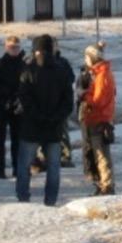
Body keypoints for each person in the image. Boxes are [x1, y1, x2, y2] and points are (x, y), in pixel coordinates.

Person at [16, 34, 73, 206]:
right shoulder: (62, 71)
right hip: (54, 127)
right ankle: (50, 201)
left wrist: (37, 116)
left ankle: (23, 198)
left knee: (24, 165)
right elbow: (68, 102)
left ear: (35, 51)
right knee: (54, 167)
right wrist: (55, 118)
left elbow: (24, 98)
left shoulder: (28, 71)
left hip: (31, 126)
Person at [33, 37, 77, 173]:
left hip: (59, 104)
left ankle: (65, 156)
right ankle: (42, 157)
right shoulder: (36, 63)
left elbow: (71, 78)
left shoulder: (62, 62)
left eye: (55, 45)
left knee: (62, 131)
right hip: (42, 104)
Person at [78, 42, 117, 195]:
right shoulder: (97, 73)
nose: (85, 60)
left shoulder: (102, 74)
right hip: (93, 118)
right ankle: (101, 184)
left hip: (99, 119)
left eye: (87, 57)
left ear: (93, 58)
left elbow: (99, 99)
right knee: (95, 153)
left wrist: (84, 96)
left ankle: (107, 185)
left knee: (101, 154)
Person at [0, 35, 24, 179]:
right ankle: (0, 170)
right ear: (6, 47)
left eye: (16, 47)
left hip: (17, 106)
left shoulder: (23, 64)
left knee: (17, 138)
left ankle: (16, 168)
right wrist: (6, 94)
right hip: (1, 105)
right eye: (11, 47)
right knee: (0, 139)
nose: (14, 50)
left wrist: (19, 97)